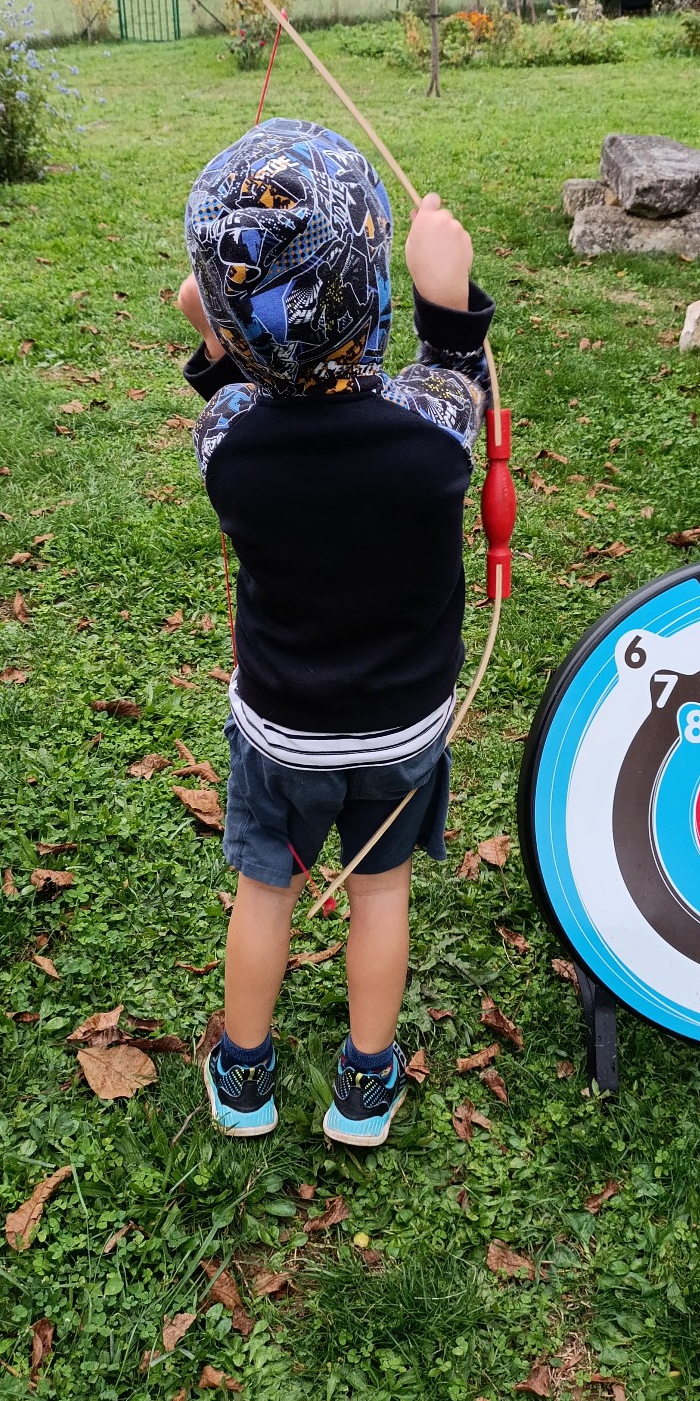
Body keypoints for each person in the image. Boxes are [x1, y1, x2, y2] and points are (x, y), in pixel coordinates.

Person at [177, 116, 494, 1148]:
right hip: (400, 733)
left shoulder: (227, 445)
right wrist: (446, 292)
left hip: (279, 729)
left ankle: (244, 1073)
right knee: (380, 894)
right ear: (373, 292)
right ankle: (363, 1083)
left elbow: (227, 380)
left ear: (228, 321)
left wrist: (213, 328)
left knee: (265, 892)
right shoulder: (431, 438)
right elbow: (454, 369)